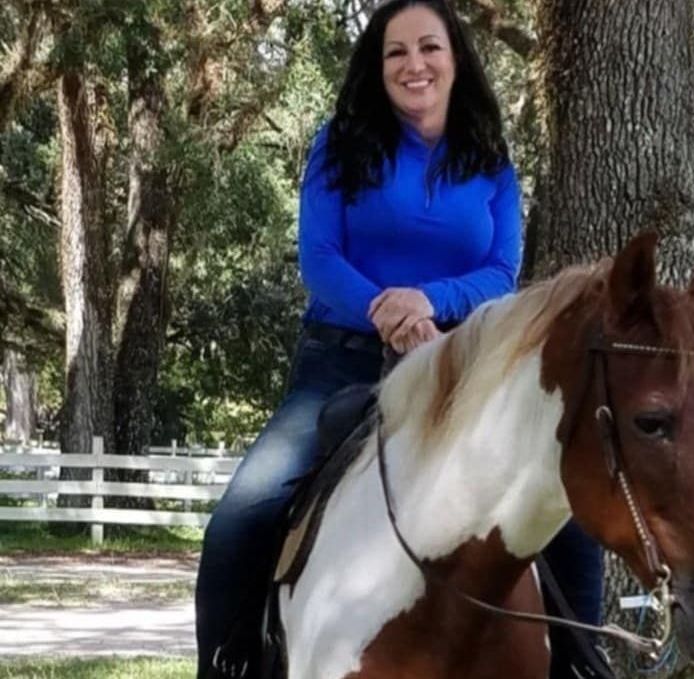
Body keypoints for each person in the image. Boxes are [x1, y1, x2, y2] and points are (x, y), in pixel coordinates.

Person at [194, 1, 604, 677]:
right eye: (396, 52)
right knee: (242, 517)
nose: (415, 64)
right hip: (343, 360)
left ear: (456, 59)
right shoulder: (339, 144)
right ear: (378, 68)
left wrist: (430, 302)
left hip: (464, 367)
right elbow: (320, 259)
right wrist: (388, 312)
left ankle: (586, 665)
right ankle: (228, 665)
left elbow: (501, 270)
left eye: (429, 47)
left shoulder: (491, 160)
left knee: (566, 510)